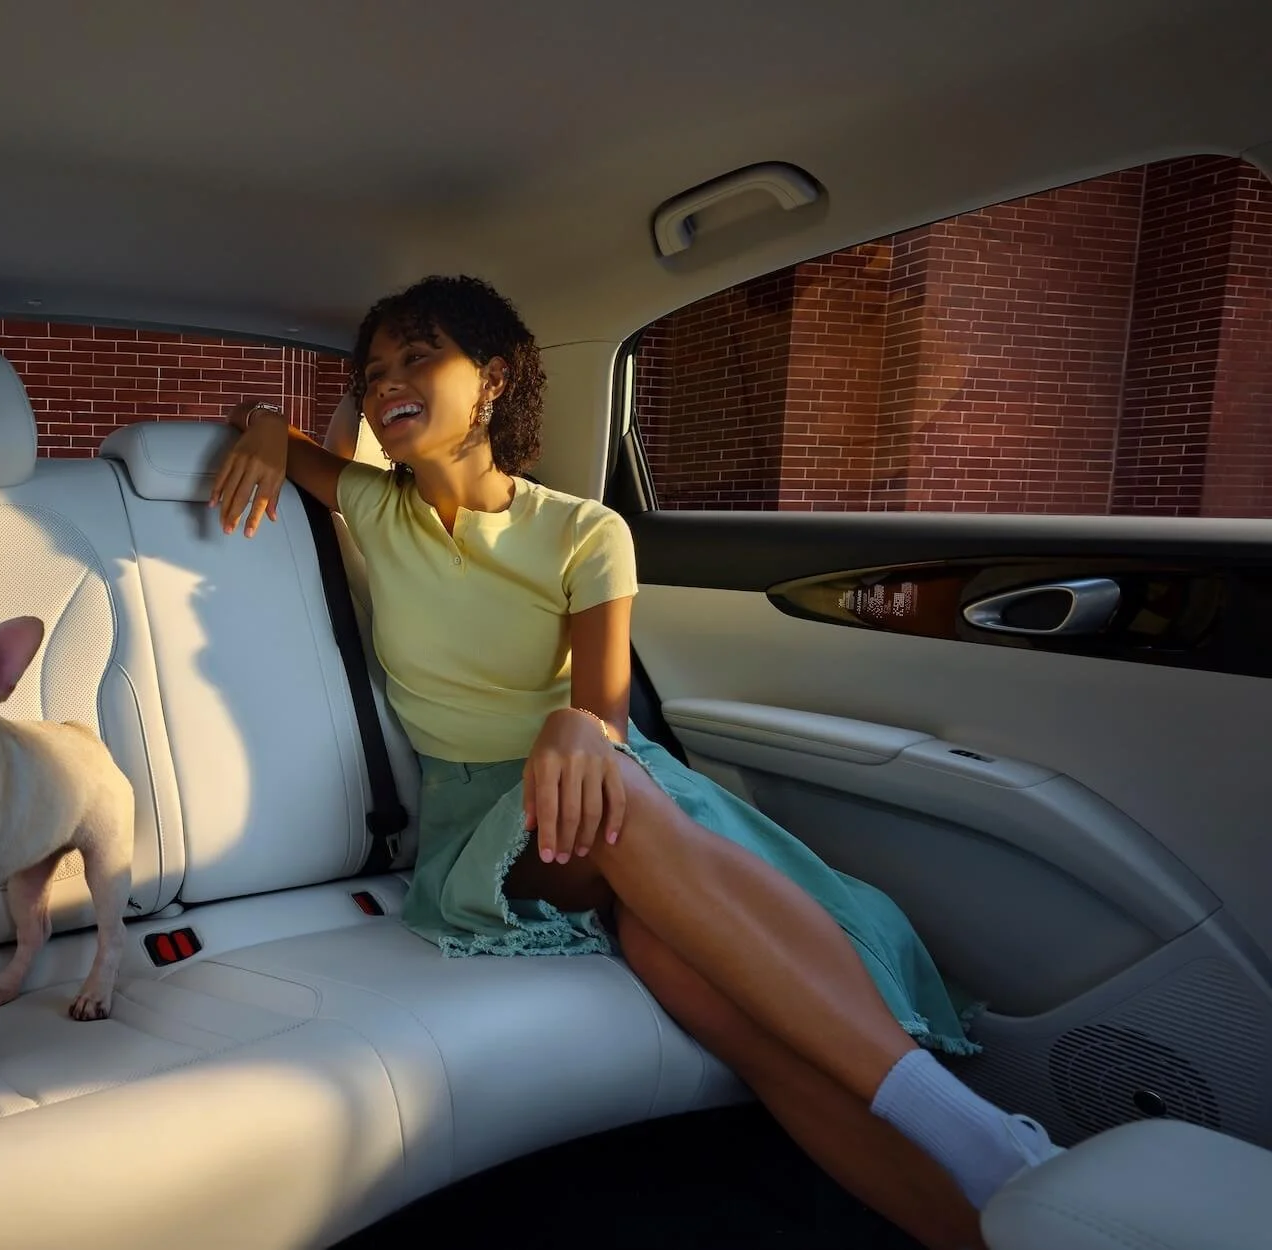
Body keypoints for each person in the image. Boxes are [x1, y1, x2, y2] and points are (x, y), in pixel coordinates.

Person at [207, 275, 1057, 1250]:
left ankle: (984, 1221)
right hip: (497, 819)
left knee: (727, 1010)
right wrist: (266, 420)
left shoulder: (582, 530)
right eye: (370, 372)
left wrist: (582, 729)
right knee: (626, 819)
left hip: (602, 780)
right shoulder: (373, 503)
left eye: (415, 357)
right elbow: (267, 431)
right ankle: (973, 1125)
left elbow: (601, 713)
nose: (384, 383)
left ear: (488, 381)